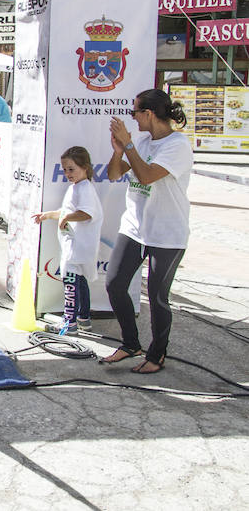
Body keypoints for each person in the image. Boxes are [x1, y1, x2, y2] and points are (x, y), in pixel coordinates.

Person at [100, 89, 192, 373]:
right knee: (114, 284)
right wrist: (120, 151)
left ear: (149, 114)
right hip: (135, 228)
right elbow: (114, 174)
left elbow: (147, 175)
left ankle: (157, 355)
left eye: (135, 112)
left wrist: (129, 146)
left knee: (157, 297)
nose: (133, 119)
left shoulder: (177, 145)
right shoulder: (140, 139)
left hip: (167, 233)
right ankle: (130, 344)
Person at [32, 146, 103, 335]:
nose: (67, 173)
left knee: (71, 281)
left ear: (85, 167)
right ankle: (83, 318)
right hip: (77, 246)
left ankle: (69, 322)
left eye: (71, 169)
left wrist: (66, 219)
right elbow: (66, 211)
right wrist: (48, 215)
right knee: (80, 281)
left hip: (76, 246)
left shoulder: (84, 188)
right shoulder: (77, 187)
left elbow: (87, 213)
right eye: (64, 169)